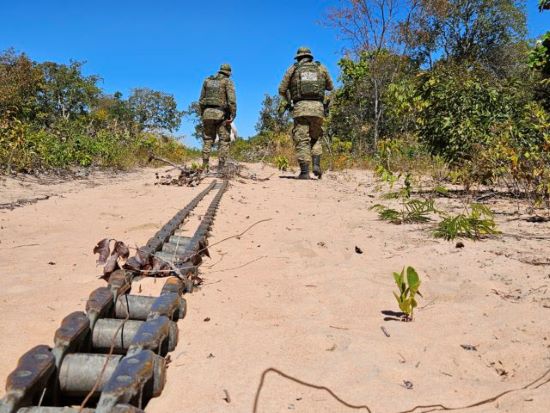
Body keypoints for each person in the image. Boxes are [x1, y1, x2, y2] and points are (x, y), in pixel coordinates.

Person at [278, 47, 334, 179]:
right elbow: (330, 88)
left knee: (302, 139)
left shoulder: (293, 69)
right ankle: (316, 165)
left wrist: (289, 101)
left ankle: (304, 172)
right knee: (315, 138)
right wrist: (326, 106)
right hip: (318, 109)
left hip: (300, 108)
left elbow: (281, 89)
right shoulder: (321, 68)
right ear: (310, 57)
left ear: (298, 57)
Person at [199, 63, 237, 171]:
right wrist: (233, 114)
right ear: (228, 73)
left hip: (207, 114)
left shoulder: (207, 80)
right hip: (222, 115)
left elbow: (201, 100)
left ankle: (205, 166)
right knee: (224, 140)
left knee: (207, 140)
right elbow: (232, 100)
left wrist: (203, 113)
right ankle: (220, 168)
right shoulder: (227, 81)